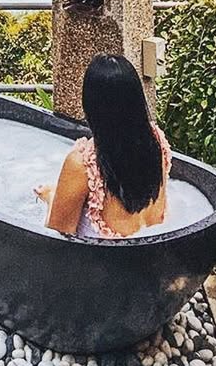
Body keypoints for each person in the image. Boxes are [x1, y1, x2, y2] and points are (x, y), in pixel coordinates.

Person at [34, 53, 171, 238]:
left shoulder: (82, 165)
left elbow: (57, 243)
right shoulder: (156, 143)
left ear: (90, 106)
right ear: (137, 100)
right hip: (157, 254)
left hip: (105, 265)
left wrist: (51, 198)